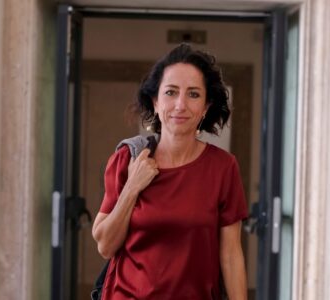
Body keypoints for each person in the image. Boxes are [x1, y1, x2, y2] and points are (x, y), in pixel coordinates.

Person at [92, 43, 248, 300]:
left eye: (194, 94)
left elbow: (231, 255)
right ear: (155, 102)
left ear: (206, 107)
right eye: (171, 92)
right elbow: (106, 246)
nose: (180, 105)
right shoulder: (127, 159)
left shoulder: (223, 167)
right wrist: (132, 187)